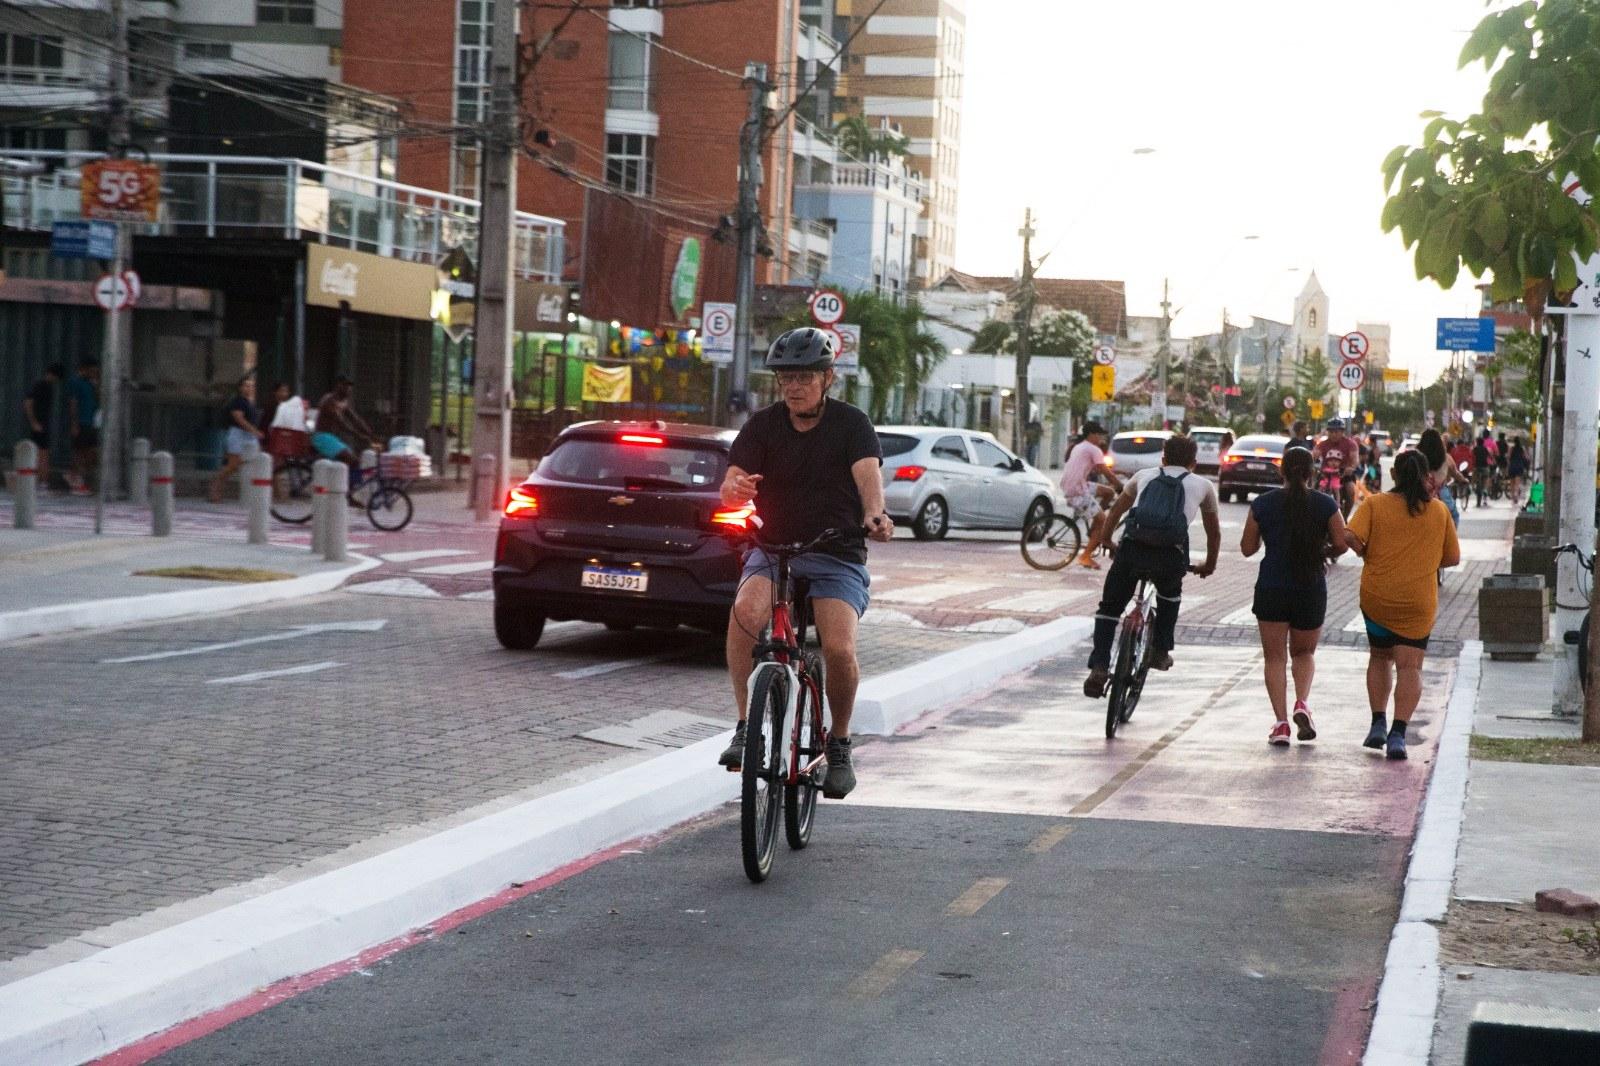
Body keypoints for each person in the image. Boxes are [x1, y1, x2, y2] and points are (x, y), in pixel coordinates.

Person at [716, 328, 894, 799]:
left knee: (838, 648)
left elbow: (867, 478)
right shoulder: (763, 425)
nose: (794, 387)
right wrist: (733, 488)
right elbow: (734, 475)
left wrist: (874, 513)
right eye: (785, 378)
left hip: (837, 550)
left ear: (827, 377)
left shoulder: (851, 424)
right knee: (745, 616)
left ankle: (838, 742)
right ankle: (742, 725)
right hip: (773, 547)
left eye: (804, 377)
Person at [1081, 434, 1221, 698]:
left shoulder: (1143, 476)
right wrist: (1208, 565)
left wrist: (1108, 540)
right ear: (1194, 462)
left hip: (1132, 550)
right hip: (1169, 557)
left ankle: (1099, 666)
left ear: (1163, 458)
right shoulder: (1202, 486)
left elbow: (1116, 512)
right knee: (1170, 597)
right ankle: (1160, 651)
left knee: (1109, 608)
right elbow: (1214, 535)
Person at [1344, 450, 1461, 760]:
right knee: (1410, 667)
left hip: (1377, 598)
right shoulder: (1438, 512)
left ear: (1394, 474)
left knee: (1380, 658)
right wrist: (1424, 560)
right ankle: (1398, 733)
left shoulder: (1375, 504)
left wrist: (1366, 553)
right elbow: (1453, 558)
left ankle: (1377, 723)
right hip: (1417, 603)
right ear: (1427, 478)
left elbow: (1349, 536)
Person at [1241, 446, 1347, 745]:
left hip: (1272, 585)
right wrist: (1321, 550)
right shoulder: (1326, 504)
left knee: (1274, 658)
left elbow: (1247, 548)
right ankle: (1302, 702)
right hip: (1310, 586)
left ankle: (1281, 723)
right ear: (1312, 472)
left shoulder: (1263, 503)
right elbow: (1341, 543)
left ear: (1281, 472)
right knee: (1304, 653)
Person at [1060, 420, 1124, 569]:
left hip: (1076, 485)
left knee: (1108, 492)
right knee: (1103, 520)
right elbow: (1104, 471)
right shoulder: (1093, 449)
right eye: (1098, 435)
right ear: (1091, 435)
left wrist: (1120, 476)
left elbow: (1096, 469)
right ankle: (1085, 556)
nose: (1101, 438)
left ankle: (1095, 524)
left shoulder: (1080, 447)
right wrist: (1119, 485)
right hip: (1077, 490)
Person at [209, 377, 267, 503]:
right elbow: (239, 419)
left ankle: (252, 493)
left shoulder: (249, 402)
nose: (249, 388)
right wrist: (254, 431)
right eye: (246, 385)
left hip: (249, 437)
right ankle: (215, 487)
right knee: (233, 465)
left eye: (251, 386)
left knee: (255, 462)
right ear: (240, 388)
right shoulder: (238, 402)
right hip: (238, 435)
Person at [311, 376, 377, 468]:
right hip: (322, 437)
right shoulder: (329, 401)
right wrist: (359, 435)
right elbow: (341, 423)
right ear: (339, 386)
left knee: (352, 461)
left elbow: (355, 419)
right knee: (352, 460)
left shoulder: (344, 402)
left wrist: (369, 432)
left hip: (332, 438)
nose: (349, 389)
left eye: (350, 387)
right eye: (346, 386)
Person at [23, 363, 63, 491]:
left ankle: (41, 482)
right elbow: (28, 403)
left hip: (44, 424)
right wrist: (34, 422)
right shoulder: (40, 385)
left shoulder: (49, 387)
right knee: (41, 454)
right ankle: (41, 483)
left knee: (43, 453)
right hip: (39, 425)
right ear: (51, 374)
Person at [65, 359, 100, 496]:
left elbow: (98, 399)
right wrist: (74, 423)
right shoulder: (76, 382)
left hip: (92, 421)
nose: (94, 373)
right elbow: (73, 403)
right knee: (79, 451)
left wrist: (96, 385)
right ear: (84, 369)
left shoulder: (91, 384)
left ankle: (76, 475)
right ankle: (75, 478)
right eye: (92, 371)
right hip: (81, 421)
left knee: (92, 452)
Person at [1418, 428, 1466, 527]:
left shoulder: (1415, 456)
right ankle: (1451, 539)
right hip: (1439, 492)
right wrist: (1464, 480)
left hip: (1418, 491)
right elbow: (1455, 473)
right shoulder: (1446, 458)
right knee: (1454, 515)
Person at [1312, 418, 1360, 516]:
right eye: (1331, 432)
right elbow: (1314, 455)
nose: (1333, 434)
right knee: (1313, 490)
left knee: (1351, 491)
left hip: (1343, 474)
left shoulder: (1350, 444)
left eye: (1336, 432)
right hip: (1325, 473)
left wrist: (1351, 468)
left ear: (1342, 432)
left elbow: (1355, 460)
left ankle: (1345, 517)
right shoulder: (1323, 444)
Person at [1450, 435, 1474, 511]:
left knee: (1454, 485)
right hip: (1467, 470)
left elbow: (1452, 461)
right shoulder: (1469, 449)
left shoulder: (1454, 450)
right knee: (1468, 482)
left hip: (1457, 471)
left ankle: (1454, 501)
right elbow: (1473, 459)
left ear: (1457, 444)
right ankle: (1468, 490)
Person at [1472, 432, 1492, 506]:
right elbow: (1490, 456)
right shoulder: (1485, 449)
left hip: (1476, 467)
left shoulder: (1475, 449)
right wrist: (1492, 461)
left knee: (1474, 476)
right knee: (1486, 478)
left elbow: (1471, 457)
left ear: (1477, 442)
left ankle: (1473, 485)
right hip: (1485, 467)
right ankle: (1485, 489)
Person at [1507, 436, 1529, 503]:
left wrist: (1509, 463)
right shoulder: (1522, 449)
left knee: (1512, 483)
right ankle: (1516, 494)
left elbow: (1508, 456)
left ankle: (1513, 496)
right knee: (1517, 482)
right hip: (1519, 466)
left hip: (1512, 466)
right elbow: (1526, 457)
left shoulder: (1511, 448)